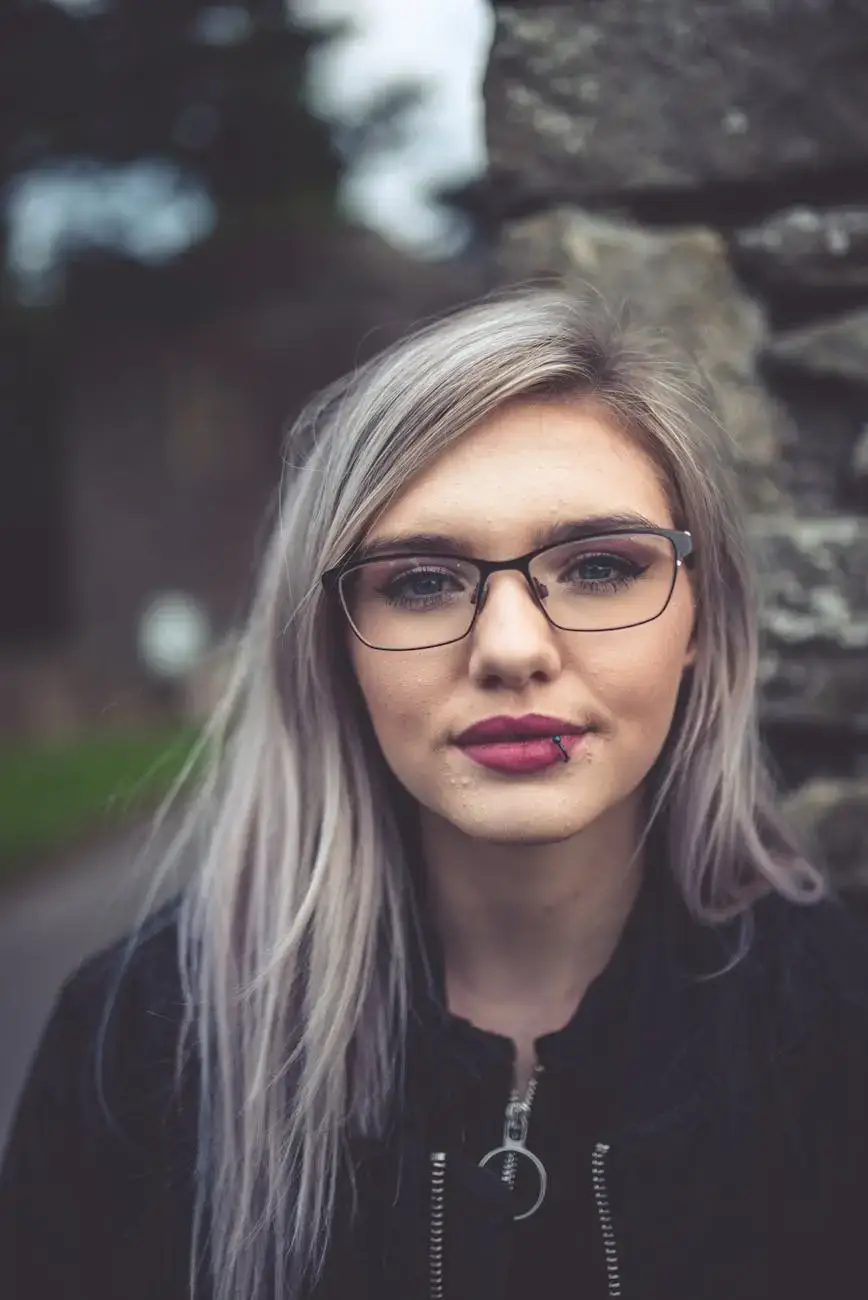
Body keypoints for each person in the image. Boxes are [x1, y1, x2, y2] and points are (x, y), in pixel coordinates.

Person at [1, 289, 867, 1300]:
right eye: (419, 581)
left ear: (700, 622)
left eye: (599, 566)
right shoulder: (140, 1047)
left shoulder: (836, 1025)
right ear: (336, 643)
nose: (511, 649)